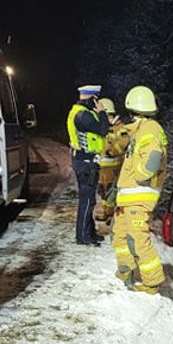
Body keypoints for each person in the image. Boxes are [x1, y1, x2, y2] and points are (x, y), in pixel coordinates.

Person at [113, 85, 169, 295]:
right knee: (120, 236)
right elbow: (116, 145)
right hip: (128, 197)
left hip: (139, 195)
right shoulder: (142, 128)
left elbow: (152, 159)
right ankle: (126, 271)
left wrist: (139, 173)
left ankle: (152, 284)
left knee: (138, 238)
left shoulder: (150, 130)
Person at [66, 84, 109, 245]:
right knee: (87, 199)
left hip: (83, 160)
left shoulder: (77, 112)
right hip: (86, 162)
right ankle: (83, 236)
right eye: (96, 99)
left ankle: (89, 233)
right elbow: (103, 129)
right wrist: (103, 112)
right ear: (93, 98)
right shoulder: (83, 116)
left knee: (89, 199)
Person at [94, 98, 135, 225]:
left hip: (114, 167)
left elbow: (123, 143)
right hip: (103, 168)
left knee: (112, 192)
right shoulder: (105, 128)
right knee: (103, 191)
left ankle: (112, 216)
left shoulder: (120, 128)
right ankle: (107, 213)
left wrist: (112, 151)